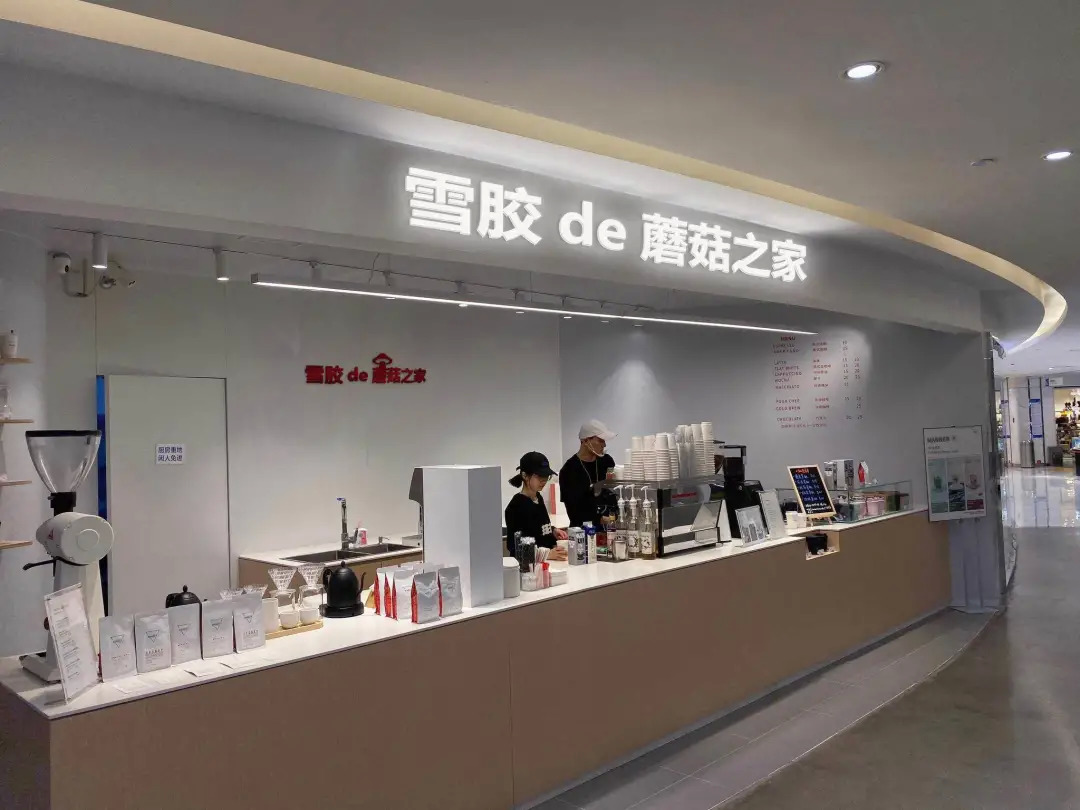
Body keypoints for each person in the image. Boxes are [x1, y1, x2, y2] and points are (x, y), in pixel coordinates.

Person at [505, 451, 567, 559]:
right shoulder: (515, 507)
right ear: (525, 475)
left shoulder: (538, 498)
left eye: (546, 476)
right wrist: (547, 554)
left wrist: (552, 531)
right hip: (530, 567)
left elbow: (537, 527)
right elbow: (515, 548)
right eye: (539, 476)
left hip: (548, 563)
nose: (544, 480)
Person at [559, 419, 618, 528]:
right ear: (586, 441)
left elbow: (613, 493)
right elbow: (574, 512)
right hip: (583, 530)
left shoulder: (606, 462)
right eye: (601, 440)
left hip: (610, 527)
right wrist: (600, 519)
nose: (604, 445)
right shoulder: (569, 470)